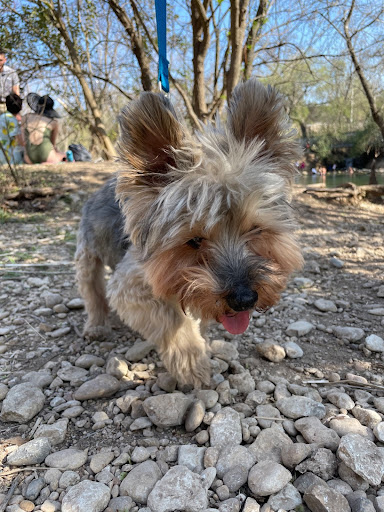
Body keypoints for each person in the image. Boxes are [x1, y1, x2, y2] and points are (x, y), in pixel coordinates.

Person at [23, 93, 66, 164]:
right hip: (47, 155)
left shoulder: (25, 117)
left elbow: (24, 140)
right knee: (64, 155)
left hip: (28, 157)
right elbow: (53, 144)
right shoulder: (53, 122)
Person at [0, 93, 27, 165]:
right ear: (20, 107)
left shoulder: (2, 117)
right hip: (9, 157)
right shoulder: (12, 120)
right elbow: (20, 141)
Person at [0, 49, 20, 114]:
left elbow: (16, 91)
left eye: (0, 60)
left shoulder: (12, 73)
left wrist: (17, 107)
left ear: (5, 60)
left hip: (8, 106)